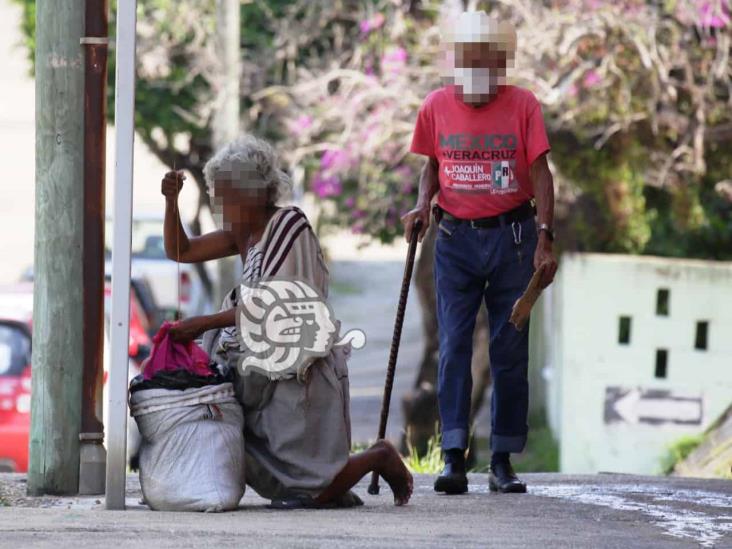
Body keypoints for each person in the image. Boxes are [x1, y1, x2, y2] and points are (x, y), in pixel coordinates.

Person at [161, 134, 413, 507]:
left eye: (230, 195)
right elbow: (180, 250)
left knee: (312, 485)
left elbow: (277, 303)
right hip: (260, 373)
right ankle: (351, 478)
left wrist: (202, 324)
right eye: (220, 195)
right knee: (289, 482)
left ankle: (379, 457)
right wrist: (171, 202)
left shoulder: (288, 224)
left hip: (300, 374)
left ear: (260, 193)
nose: (223, 205)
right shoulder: (240, 235)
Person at [402, 11, 558, 495]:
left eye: (486, 61)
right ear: (458, 61)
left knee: (509, 351)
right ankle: (453, 457)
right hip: (455, 241)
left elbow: (541, 174)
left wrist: (545, 236)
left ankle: (503, 461)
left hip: (513, 240)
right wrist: (422, 203)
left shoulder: (523, 105)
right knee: (453, 347)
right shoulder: (435, 105)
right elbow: (433, 164)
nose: (476, 71)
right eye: (467, 59)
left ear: (498, 63)